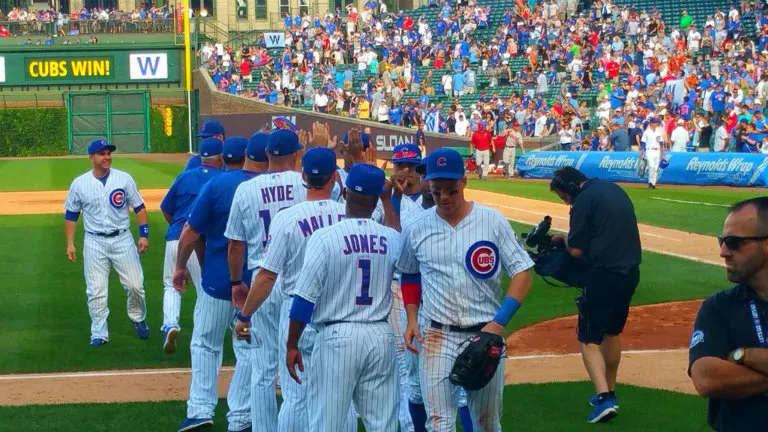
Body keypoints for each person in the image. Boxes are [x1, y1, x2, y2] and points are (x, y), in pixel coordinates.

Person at [397, 148, 534, 432]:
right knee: (439, 424)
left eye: (451, 190)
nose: (444, 197)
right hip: (436, 336)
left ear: (465, 181)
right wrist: (411, 317)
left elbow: (522, 273)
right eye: (437, 191)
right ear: (428, 187)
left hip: (485, 334)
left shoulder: (491, 221)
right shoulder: (417, 226)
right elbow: (409, 274)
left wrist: (499, 323)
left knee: (486, 423)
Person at [233, 147, 354, 432]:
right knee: (339, 397)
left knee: (296, 396)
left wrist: (245, 315)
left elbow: (266, 276)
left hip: (295, 313)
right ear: (334, 177)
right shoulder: (346, 216)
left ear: (303, 177)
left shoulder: (287, 218)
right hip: (339, 312)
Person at [286, 163, 400, 432]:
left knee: (327, 424)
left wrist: (292, 344)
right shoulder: (390, 237)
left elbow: (303, 300)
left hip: (337, 338)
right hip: (380, 337)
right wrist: (389, 198)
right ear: (375, 200)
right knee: (383, 425)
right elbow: (399, 236)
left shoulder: (324, 237)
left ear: (345, 192)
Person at [173, 135, 262, 432]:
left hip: (215, 281)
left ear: (224, 159)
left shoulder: (217, 185)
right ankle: (240, 417)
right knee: (248, 349)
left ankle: (199, 410)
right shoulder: (271, 188)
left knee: (205, 344)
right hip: (257, 287)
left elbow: (190, 233)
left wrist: (180, 267)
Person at [225, 129, 307, 431]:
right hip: (298, 283)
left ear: (267, 155)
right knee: (295, 368)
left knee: (262, 368)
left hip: (261, 281)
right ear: (296, 155)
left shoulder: (247, 189)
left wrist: (237, 283)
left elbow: (235, 244)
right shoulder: (304, 184)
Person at [549, 166, 641, 423]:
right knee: (612, 332)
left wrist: (563, 240)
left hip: (602, 275)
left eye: (563, 197)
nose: (565, 201)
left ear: (569, 188)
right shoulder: (613, 188)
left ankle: (603, 399)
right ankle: (610, 390)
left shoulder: (583, 201)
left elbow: (576, 250)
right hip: (630, 272)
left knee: (589, 338)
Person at [688, 197, 768, 432]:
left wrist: (739, 355)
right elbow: (706, 379)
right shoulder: (719, 307)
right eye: (722, 241)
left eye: (734, 242)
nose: (723, 252)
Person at [64, 139, 150, 346]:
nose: (107, 157)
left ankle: (138, 318)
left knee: (135, 285)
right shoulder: (80, 184)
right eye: (102, 154)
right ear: (91, 158)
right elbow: (71, 214)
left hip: (122, 239)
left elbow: (139, 207)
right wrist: (70, 243)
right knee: (96, 290)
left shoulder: (124, 179)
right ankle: (99, 333)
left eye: (108, 153)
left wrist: (144, 234)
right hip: (94, 242)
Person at [159, 137, 225, 354]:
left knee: (171, 285)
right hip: (202, 241)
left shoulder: (184, 176)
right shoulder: (221, 179)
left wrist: (178, 232)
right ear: (220, 157)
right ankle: (200, 333)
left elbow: (166, 208)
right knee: (204, 290)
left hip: (175, 237)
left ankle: (170, 324)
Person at [640, 117, 666, 190]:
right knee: (651, 166)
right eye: (655, 122)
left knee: (655, 167)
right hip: (649, 150)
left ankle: (653, 183)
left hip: (657, 151)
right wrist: (642, 153)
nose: (656, 124)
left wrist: (662, 154)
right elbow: (643, 143)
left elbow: (661, 144)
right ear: (651, 123)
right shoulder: (646, 132)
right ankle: (650, 182)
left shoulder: (659, 132)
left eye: (657, 123)